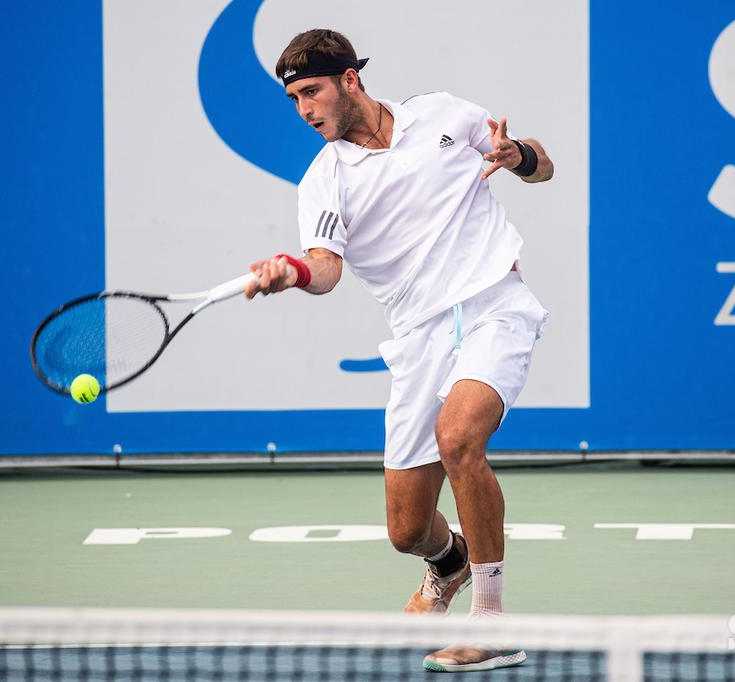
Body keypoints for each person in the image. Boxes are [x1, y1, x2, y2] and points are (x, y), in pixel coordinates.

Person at [245, 29, 553, 673]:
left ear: (349, 81)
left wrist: (517, 153)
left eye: (311, 92)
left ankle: (493, 622)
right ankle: (450, 564)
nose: (304, 110)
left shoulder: (443, 114)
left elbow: (541, 167)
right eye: (294, 100)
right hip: (418, 338)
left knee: (459, 438)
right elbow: (326, 269)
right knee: (408, 530)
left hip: (496, 303)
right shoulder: (324, 181)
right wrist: (292, 272)